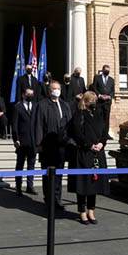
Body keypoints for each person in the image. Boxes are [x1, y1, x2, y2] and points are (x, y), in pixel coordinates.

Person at [33, 79, 73, 207]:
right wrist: (39, 144)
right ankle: (49, 200)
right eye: (54, 89)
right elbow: (38, 125)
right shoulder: (42, 105)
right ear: (49, 91)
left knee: (59, 175)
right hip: (47, 146)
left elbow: (70, 124)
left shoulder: (65, 105)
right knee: (48, 175)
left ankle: (57, 199)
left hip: (61, 147)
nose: (56, 91)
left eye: (58, 89)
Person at [70, 91, 109, 225]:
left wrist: (101, 143)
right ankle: (82, 211)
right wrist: (89, 145)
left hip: (98, 152)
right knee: (83, 184)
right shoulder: (79, 114)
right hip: (84, 152)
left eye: (95, 100)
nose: (94, 102)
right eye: (91, 100)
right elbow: (77, 133)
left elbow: (104, 131)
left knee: (94, 183)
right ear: (86, 101)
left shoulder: (99, 113)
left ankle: (91, 210)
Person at [12, 87, 39, 196]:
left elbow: (38, 124)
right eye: (28, 94)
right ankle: (18, 187)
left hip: (33, 141)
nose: (30, 96)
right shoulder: (18, 107)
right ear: (23, 95)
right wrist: (16, 139)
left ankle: (30, 186)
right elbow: (15, 125)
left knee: (31, 164)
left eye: (31, 94)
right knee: (20, 164)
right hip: (22, 141)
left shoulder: (36, 106)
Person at [90, 64, 115, 137]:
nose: (107, 71)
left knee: (106, 119)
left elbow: (113, 91)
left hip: (107, 103)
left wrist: (109, 96)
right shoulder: (97, 78)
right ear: (103, 70)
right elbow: (94, 88)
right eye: (106, 70)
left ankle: (105, 134)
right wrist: (100, 95)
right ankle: (98, 133)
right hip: (99, 102)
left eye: (108, 70)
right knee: (98, 117)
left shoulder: (111, 80)